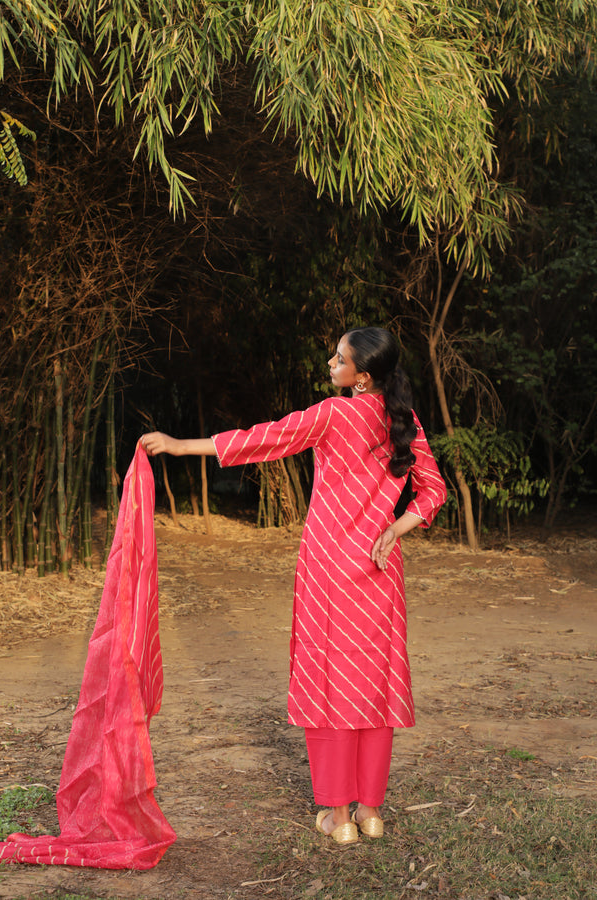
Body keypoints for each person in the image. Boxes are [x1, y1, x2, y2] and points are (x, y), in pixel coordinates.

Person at [141, 326, 446, 845]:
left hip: (329, 566)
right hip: (379, 567)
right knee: (373, 683)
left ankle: (338, 815)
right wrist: (394, 529)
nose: (331, 363)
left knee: (329, 683)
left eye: (339, 358)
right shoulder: (403, 420)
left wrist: (178, 445)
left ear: (362, 375)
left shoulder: (332, 414)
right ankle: (371, 811)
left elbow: (263, 439)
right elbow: (433, 490)